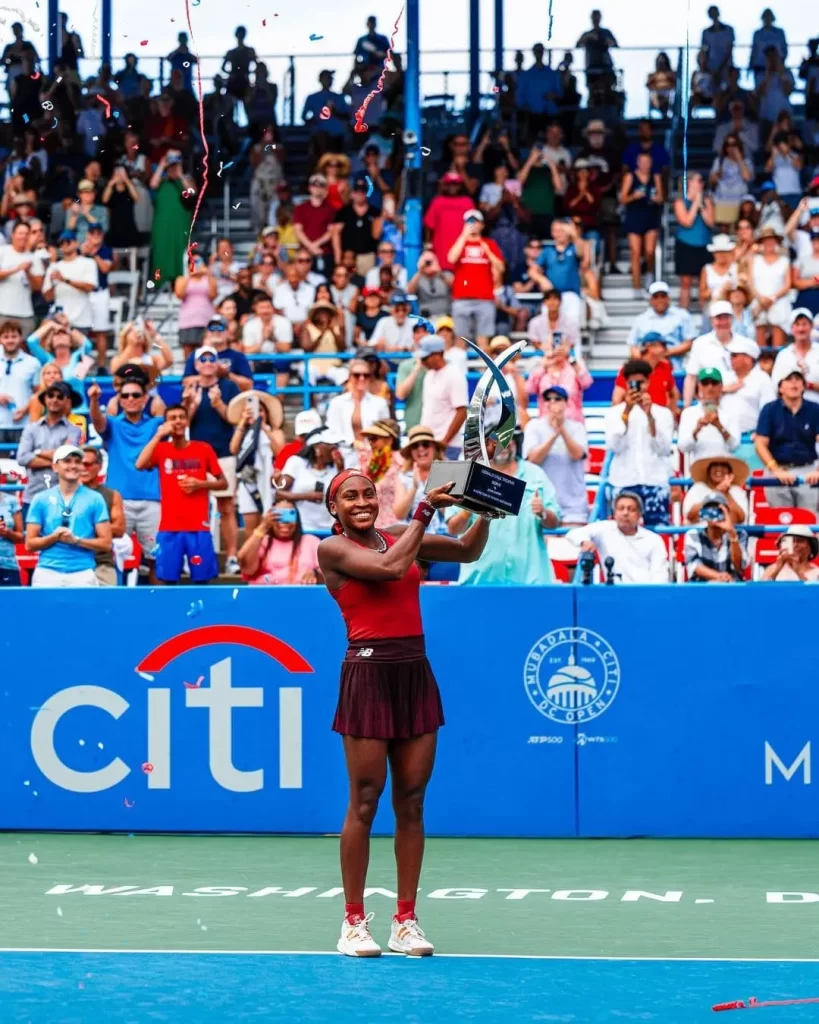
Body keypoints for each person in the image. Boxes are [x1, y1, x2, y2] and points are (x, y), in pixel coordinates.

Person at [317, 467, 493, 957]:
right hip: (368, 676)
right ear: (335, 509)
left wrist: (485, 508)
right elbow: (392, 568)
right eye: (349, 496)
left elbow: (467, 551)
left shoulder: (399, 534)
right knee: (366, 799)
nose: (360, 501)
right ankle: (353, 922)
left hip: (414, 672)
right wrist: (426, 510)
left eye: (367, 493)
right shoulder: (332, 550)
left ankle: (406, 921)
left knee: (411, 801)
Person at [135, 405, 226, 585]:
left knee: (202, 580)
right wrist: (158, 435)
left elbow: (224, 483)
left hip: (198, 527)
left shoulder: (203, 448)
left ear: (187, 421)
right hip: (169, 526)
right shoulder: (161, 449)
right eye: (172, 418)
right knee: (168, 580)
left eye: (181, 417)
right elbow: (139, 464)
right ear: (166, 423)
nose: (178, 421)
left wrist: (202, 484)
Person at [182, 346, 242, 574]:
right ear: (196, 365)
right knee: (195, 509)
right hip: (197, 455)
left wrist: (218, 404)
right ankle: (194, 556)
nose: (207, 362)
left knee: (226, 507)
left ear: (217, 363)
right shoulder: (190, 388)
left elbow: (234, 418)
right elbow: (183, 423)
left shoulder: (228, 387)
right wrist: (192, 404)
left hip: (224, 452)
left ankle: (233, 556)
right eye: (203, 358)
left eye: (211, 358)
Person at [25, 444, 112, 588]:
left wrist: (76, 540)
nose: (73, 465)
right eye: (67, 461)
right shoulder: (40, 499)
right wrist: (54, 537)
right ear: (55, 467)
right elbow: (29, 544)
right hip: (47, 571)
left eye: (78, 462)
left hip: (82, 572)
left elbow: (106, 543)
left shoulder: (95, 499)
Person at [604, 359, 674, 526]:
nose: (637, 387)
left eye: (641, 382)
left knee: (658, 534)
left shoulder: (663, 413)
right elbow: (614, 446)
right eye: (632, 383)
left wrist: (650, 417)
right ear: (626, 384)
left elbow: (664, 449)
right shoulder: (614, 413)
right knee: (622, 537)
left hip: (654, 481)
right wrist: (626, 413)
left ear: (648, 382)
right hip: (623, 481)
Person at [566, 492, 669, 584]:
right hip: (614, 594)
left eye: (631, 509)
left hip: (645, 594)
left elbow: (660, 578)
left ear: (639, 515)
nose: (625, 513)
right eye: (621, 508)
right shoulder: (604, 529)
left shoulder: (654, 540)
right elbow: (572, 534)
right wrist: (585, 541)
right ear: (614, 513)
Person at [15, 382, 82, 520]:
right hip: (33, 495)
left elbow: (69, 459)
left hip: (64, 497)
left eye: (59, 396)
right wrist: (56, 460)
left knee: (64, 540)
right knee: (32, 540)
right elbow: (22, 458)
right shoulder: (31, 428)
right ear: (45, 399)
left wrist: (38, 452)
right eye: (50, 395)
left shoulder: (74, 430)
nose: (54, 399)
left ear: (67, 401)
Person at [522, 385, 588, 525]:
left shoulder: (577, 427)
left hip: (573, 506)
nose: (552, 402)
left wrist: (562, 430)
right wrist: (554, 435)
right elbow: (533, 459)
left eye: (557, 399)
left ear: (566, 403)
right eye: (548, 399)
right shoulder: (533, 426)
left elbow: (577, 455)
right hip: (542, 502)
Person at [755, 369, 819, 509]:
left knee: (809, 520)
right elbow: (760, 443)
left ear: (803, 386)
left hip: (807, 469)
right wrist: (776, 470)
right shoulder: (769, 410)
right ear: (780, 387)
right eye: (789, 379)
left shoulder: (815, 409)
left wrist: (818, 471)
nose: (794, 383)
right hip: (776, 469)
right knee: (781, 520)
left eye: (798, 379)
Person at [325, 358, 391, 467]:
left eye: (366, 375)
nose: (361, 378)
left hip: (373, 458)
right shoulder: (337, 403)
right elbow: (331, 431)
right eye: (357, 375)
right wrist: (352, 443)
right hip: (344, 457)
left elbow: (386, 433)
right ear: (349, 377)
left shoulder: (380, 403)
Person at [276, 429, 342, 535]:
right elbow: (278, 493)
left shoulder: (337, 466)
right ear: (317, 448)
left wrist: (341, 469)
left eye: (336, 446)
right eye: (331, 446)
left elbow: (343, 495)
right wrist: (307, 496)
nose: (335, 450)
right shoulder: (296, 462)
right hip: (302, 528)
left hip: (329, 529)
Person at [239, 501, 321, 585]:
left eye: (289, 515)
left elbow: (330, 574)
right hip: (266, 595)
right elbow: (247, 568)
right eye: (278, 516)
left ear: (297, 519)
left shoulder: (312, 542)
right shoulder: (262, 541)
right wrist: (263, 526)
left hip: (302, 595)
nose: (284, 523)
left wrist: (314, 573)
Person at [80, 445, 126, 587]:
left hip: (102, 563)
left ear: (99, 466)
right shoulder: (65, 494)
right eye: (79, 464)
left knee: (110, 606)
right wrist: (101, 529)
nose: (83, 468)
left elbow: (119, 529)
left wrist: (82, 526)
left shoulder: (111, 495)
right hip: (72, 563)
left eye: (87, 464)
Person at [619, 153, 664, 297]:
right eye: (642, 162)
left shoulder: (655, 176)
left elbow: (662, 197)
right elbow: (623, 198)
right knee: (635, 252)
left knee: (650, 251)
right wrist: (634, 196)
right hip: (635, 215)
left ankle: (649, 272)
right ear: (637, 163)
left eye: (647, 162)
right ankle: (637, 287)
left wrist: (656, 198)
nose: (645, 165)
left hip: (650, 216)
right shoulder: (630, 176)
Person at [418, 336, 468, 461]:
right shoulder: (429, 375)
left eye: (425, 357)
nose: (422, 361)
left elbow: (462, 412)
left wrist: (444, 442)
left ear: (438, 354)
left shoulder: (454, 375)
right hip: (428, 444)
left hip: (447, 446)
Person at [678, 367, 741, 463]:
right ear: (699, 386)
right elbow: (683, 447)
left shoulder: (731, 412)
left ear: (721, 386)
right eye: (705, 383)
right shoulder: (688, 413)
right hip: (699, 470)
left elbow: (735, 445)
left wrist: (719, 426)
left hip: (724, 469)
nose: (710, 387)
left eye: (714, 383)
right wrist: (697, 430)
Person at [683, 491, 748, 583]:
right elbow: (695, 566)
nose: (713, 513)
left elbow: (739, 566)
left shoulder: (739, 534)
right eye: (709, 509)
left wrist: (731, 533)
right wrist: (720, 577)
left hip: (730, 589)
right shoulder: (693, 535)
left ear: (726, 512)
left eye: (718, 509)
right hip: (702, 588)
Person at [626, 282, 695, 366]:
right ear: (650, 300)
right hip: (647, 366)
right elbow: (633, 346)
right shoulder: (641, 319)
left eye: (663, 296)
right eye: (656, 297)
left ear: (668, 298)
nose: (660, 300)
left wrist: (663, 353)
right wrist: (644, 358)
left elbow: (689, 343)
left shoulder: (682, 315)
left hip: (675, 364)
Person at [684, 300, 738, 406]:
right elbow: (691, 377)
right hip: (708, 401)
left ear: (731, 319)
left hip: (737, 400)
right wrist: (686, 406)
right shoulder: (700, 343)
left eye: (726, 317)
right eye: (719, 318)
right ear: (712, 321)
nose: (723, 322)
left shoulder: (745, 344)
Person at [673, 174, 714, 310]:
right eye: (699, 180)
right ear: (689, 182)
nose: (702, 183)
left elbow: (711, 222)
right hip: (685, 244)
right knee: (686, 282)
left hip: (704, 244)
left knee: (704, 282)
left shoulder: (707, 200)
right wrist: (695, 203)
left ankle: (705, 316)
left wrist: (701, 205)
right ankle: (684, 313)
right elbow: (687, 221)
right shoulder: (679, 201)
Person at [0, 222, 45, 338]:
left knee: (23, 350)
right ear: (13, 235)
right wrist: (17, 269)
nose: (23, 236)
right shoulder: (3, 251)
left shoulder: (34, 258)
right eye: (20, 233)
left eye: (26, 233)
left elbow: (38, 287)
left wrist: (28, 272)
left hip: (25, 313)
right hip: (2, 311)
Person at [614, 334, 679, 413]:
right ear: (649, 346)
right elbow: (617, 398)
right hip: (635, 414)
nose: (666, 349)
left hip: (660, 415)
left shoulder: (665, 367)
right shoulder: (632, 368)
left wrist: (670, 415)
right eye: (663, 345)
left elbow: (674, 394)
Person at [0, 318, 39, 439]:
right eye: (6, 337)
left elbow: (38, 393)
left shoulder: (33, 363)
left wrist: (26, 410)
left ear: (21, 338)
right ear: (0, 339)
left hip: (23, 423)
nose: (10, 340)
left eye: (14, 336)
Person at [683, 455, 749, 525]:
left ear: (729, 472)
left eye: (723, 465)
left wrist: (727, 494)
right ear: (708, 470)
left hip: (729, 534)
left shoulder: (737, 491)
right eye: (715, 465)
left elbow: (740, 518)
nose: (719, 469)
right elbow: (690, 516)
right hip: (699, 534)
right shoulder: (698, 488)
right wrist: (716, 493)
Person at [772, 310, 819, 402]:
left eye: (804, 324)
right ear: (792, 328)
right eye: (797, 325)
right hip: (790, 412)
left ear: (811, 327)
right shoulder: (783, 355)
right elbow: (776, 386)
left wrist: (807, 385)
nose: (801, 329)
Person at [701, 6, 735, 88]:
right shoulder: (706, 32)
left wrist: (720, 69)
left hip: (726, 67)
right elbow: (704, 51)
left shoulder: (728, 30)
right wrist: (707, 68)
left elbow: (729, 50)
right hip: (711, 68)